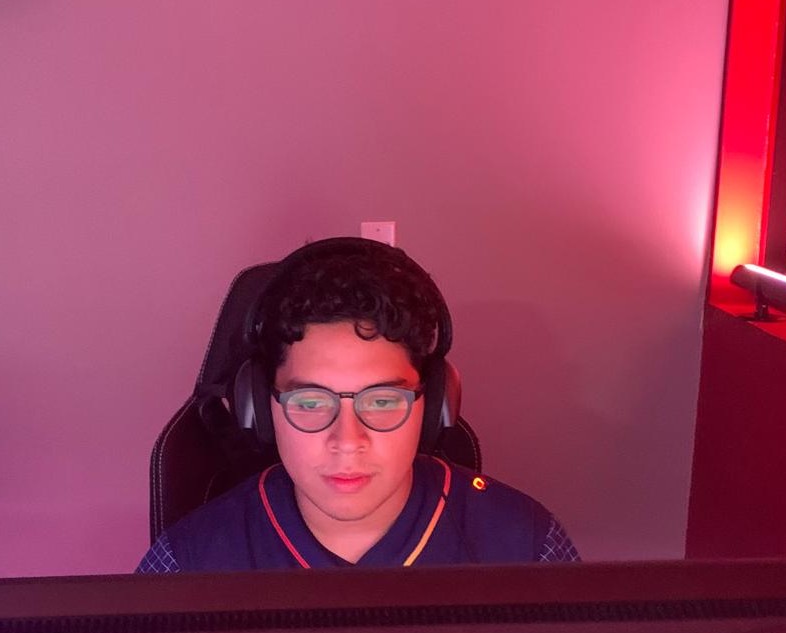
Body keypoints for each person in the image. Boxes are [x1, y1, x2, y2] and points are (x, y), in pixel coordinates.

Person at [137, 238, 578, 572]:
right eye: (310, 401)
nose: (347, 442)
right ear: (261, 410)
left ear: (434, 407)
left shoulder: (526, 547)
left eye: (383, 400)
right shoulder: (189, 562)